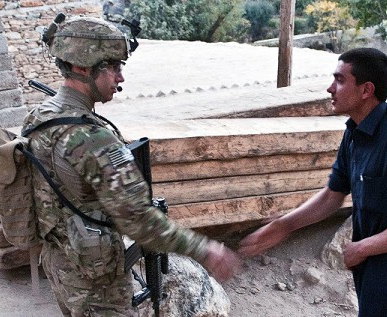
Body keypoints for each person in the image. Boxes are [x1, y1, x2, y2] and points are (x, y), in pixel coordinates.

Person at [23, 16, 241, 316]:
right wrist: (205, 250)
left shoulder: (40, 116)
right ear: (83, 68)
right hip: (96, 284)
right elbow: (139, 220)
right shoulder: (92, 138)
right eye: (113, 67)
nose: (120, 77)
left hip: (61, 264)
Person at [238, 48, 387, 316]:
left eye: (339, 80)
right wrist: (283, 225)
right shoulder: (353, 134)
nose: (330, 88)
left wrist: (361, 247)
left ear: (366, 90)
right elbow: (333, 195)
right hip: (373, 282)